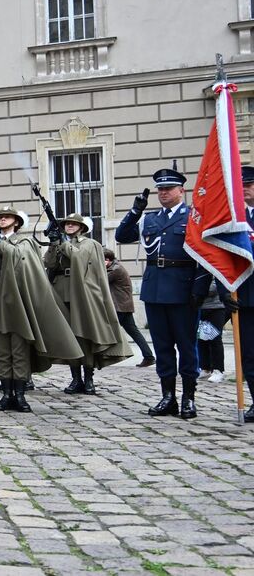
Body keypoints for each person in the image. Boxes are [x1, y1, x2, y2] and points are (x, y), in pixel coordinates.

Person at [115, 167, 206, 419]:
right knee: (163, 347)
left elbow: (204, 256)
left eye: (169, 189)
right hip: (155, 290)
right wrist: (135, 211)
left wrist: (199, 289)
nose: (163, 193)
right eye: (160, 189)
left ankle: (188, 397)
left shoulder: (193, 217)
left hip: (183, 289)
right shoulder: (150, 219)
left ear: (181, 191)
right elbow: (122, 235)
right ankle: (168, 397)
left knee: (187, 347)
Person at [0, 207, 81, 411]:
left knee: (18, 348)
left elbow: (15, 258)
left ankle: (21, 394)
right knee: (2, 349)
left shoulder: (24, 242)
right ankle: (7, 393)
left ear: (17, 222)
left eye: (7, 217)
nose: (2, 219)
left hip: (17, 298)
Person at [43, 213, 130, 394]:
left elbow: (78, 258)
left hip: (81, 293)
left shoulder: (90, 244)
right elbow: (49, 264)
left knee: (84, 335)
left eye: (74, 224)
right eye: (67, 223)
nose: (69, 226)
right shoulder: (61, 243)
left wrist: (62, 242)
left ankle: (88, 378)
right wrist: (53, 244)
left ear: (82, 227)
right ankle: (76, 378)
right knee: (69, 337)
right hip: (61, 290)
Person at [103, 249, 155, 366]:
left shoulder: (115, 270)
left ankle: (106, 356)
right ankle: (149, 356)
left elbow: (101, 280)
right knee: (133, 331)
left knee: (108, 330)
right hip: (123, 306)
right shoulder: (115, 267)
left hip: (119, 306)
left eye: (103, 260)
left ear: (108, 260)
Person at [236, 165, 254, 422]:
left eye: (248, 185)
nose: (244, 189)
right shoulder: (235, 219)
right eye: (241, 186)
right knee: (249, 353)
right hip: (245, 294)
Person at [196, 283, 227, 384]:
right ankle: (205, 368)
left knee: (215, 338)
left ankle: (219, 370)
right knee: (201, 338)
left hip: (217, 307)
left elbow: (216, 285)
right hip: (200, 306)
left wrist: (197, 289)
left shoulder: (213, 267)